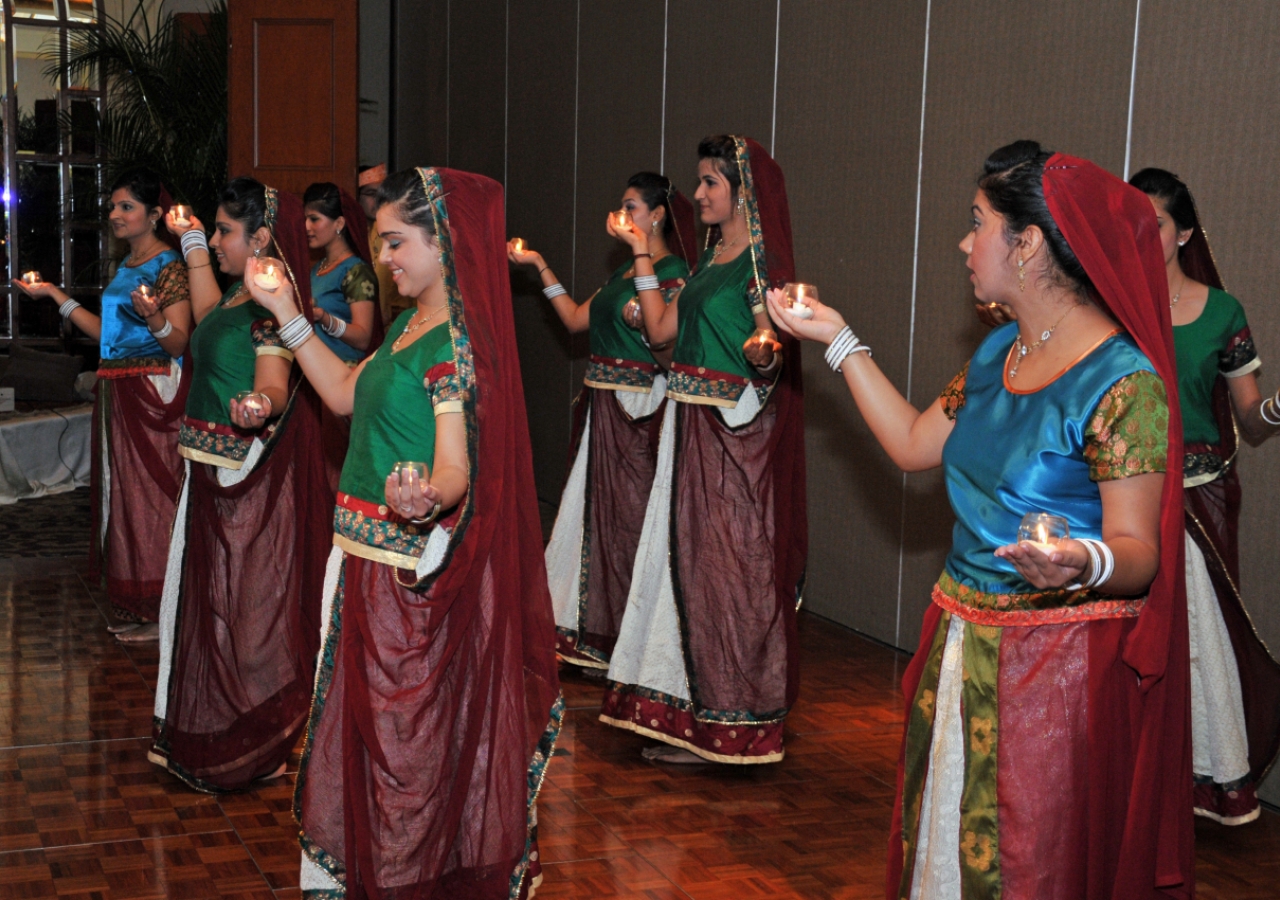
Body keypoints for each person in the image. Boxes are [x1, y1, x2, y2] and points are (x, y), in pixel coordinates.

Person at [770, 141, 1191, 899]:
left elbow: (1140, 551)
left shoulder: (1127, 382)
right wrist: (833, 338)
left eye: (979, 223)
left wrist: (1082, 560)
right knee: (946, 845)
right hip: (960, 640)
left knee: (1033, 863)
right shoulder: (1001, 350)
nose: (966, 244)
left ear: (1027, 244)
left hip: (1055, 671)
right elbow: (910, 446)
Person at [257, 167, 560, 898]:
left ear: (445, 240)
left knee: (403, 741)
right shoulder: (408, 326)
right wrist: (285, 310)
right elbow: (337, 396)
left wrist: (427, 499)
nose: (385, 258)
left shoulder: (455, 342)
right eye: (382, 243)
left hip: (402, 571)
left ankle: (403, 874)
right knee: (371, 734)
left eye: (396, 242)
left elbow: (457, 469)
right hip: (362, 558)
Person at [600, 136, 807, 765]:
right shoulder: (713, 259)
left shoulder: (757, 271)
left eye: (711, 183)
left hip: (730, 440)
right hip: (687, 430)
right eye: (699, 182)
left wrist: (764, 354)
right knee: (677, 563)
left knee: (722, 572)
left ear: (743, 192)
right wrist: (640, 251)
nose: (698, 194)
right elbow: (662, 334)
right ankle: (685, 713)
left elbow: (770, 349)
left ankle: (729, 718)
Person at [149, 177, 332, 792]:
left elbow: (276, 381)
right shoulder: (235, 295)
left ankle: (257, 734)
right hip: (208, 467)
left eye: (227, 230)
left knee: (244, 602)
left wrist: (262, 402)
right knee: (213, 600)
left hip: (239, 470)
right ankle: (222, 721)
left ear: (259, 237)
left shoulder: (268, 298)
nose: (219, 239)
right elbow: (202, 324)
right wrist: (196, 242)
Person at [1129, 167, 1280, 826]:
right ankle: (1130, 775)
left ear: (1183, 232)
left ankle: (1203, 781)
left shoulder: (1223, 312)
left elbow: (1249, 423)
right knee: (1131, 639)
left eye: (1154, 222)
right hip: (1127, 495)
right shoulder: (1105, 303)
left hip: (1201, 499)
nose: (1140, 233)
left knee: (1202, 644)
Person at [508, 171, 696, 669]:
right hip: (603, 408)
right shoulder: (621, 275)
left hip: (640, 413)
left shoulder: (673, 274)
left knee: (627, 522)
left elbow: (667, 351)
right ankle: (589, 626)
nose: (622, 214)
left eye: (631, 206)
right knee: (593, 518)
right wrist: (539, 264)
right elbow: (572, 319)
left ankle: (624, 637)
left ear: (656, 216)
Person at [12, 168, 191, 643]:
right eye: (113, 206)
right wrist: (53, 295)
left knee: (153, 500)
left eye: (126, 207)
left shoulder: (168, 265)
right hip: (118, 388)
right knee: (126, 498)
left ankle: (163, 608)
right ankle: (143, 600)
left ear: (155, 215)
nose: (114, 214)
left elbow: (178, 342)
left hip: (152, 391)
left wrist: (153, 318)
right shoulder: (129, 266)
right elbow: (107, 337)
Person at [303, 181, 378, 362]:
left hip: (343, 374)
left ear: (339, 223)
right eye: (305, 219)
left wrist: (325, 318)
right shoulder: (318, 268)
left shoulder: (356, 271)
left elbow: (363, 339)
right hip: (315, 371)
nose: (306, 226)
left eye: (314, 219)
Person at [359, 163, 413, 325]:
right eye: (371, 194)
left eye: (381, 195)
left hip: (397, 322)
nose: (377, 201)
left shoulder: (393, 231)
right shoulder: (350, 234)